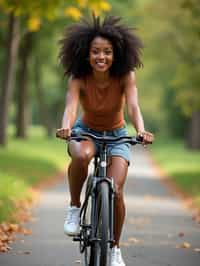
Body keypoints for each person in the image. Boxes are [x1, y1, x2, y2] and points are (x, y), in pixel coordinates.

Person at [56, 15, 154, 266]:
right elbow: (71, 107)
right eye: (96, 52)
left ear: (116, 54)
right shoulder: (78, 78)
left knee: (117, 190)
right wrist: (66, 126)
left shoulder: (125, 76)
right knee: (81, 155)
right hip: (85, 131)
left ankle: (115, 249)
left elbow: (133, 106)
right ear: (86, 54)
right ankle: (74, 208)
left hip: (117, 136)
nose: (102, 57)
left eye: (107, 52)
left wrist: (141, 130)